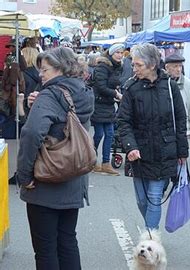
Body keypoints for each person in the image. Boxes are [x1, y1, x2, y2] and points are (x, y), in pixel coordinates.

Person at [16, 47, 94, 270]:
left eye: (45, 70)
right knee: (68, 241)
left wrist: (24, 176)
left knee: (46, 249)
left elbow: (32, 134)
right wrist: (36, 104)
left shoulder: (50, 95)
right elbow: (62, 123)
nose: (41, 75)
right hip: (74, 178)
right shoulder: (83, 91)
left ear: (61, 69)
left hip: (46, 181)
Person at [117, 43, 188, 230]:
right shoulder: (131, 88)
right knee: (142, 201)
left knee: (155, 198)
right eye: (134, 64)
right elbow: (123, 122)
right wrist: (130, 146)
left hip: (165, 152)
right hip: (140, 153)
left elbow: (180, 120)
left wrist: (182, 152)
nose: (134, 68)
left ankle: (150, 238)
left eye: (138, 65)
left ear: (151, 64)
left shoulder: (170, 87)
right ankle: (151, 231)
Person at [90, 43, 124, 176]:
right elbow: (101, 86)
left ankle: (106, 163)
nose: (120, 55)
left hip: (108, 104)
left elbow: (112, 84)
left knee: (109, 133)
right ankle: (91, 160)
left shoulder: (117, 67)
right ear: (111, 53)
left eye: (121, 53)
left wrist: (116, 91)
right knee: (99, 134)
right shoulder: (102, 66)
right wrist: (116, 94)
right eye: (117, 53)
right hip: (98, 103)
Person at [165, 53, 190, 138]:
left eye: (180, 66)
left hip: (183, 130)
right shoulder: (162, 83)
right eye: (175, 66)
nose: (178, 69)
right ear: (167, 67)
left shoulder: (189, 85)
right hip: (165, 131)